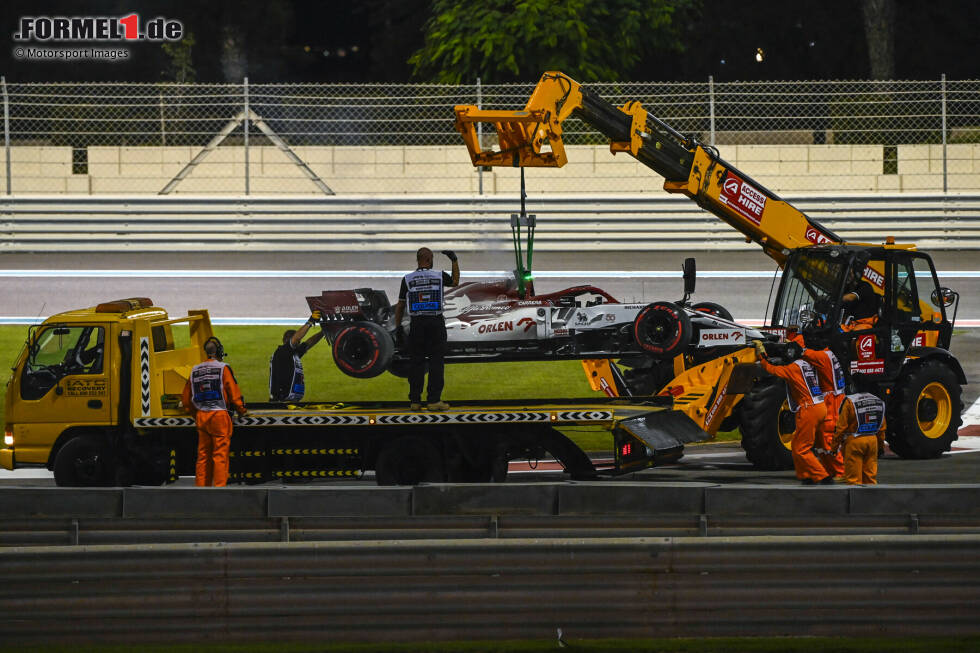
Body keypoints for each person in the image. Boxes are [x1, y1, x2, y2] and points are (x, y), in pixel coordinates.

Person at [753, 339, 831, 485]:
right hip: (820, 406)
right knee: (797, 445)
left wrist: (761, 355)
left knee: (801, 448)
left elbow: (770, 369)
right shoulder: (806, 365)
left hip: (809, 409)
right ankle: (806, 476)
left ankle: (823, 476)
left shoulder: (792, 369)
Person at [393, 247, 460, 411]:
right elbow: (456, 281)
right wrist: (454, 260)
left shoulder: (407, 278)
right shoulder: (438, 275)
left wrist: (398, 326)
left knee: (416, 362)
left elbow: (401, 305)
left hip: (417, 324)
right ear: (429, 259)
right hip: (435, 322)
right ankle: (433, 400)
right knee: (436, 362)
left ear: (418, 260)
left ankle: (415, 401)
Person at [182, 336, 247, 487]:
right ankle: (219, 489)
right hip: (219, 416)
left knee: (203, 455)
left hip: (201, 416)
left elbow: (186, 400)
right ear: (219, 351)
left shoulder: (194, 370)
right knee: (220, 455)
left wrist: (196, 414)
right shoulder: (223, 368)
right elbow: (233, 392)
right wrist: (242, 410)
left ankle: (201, 488)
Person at [800, 332, 847, 480]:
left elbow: (802, 353)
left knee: (827, 437)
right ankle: (829, 470)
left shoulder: (821, 356)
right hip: (834, 398)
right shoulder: (828, 353)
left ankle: (840, 472)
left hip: (832, 400)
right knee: (821, 439)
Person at [831, 391, 887, 485]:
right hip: (872, 441)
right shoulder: (877, 400)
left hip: (854, 442)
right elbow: (882, 427)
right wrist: (881, 446)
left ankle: (855, 499)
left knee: (853, 481)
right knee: (870, 478)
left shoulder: (850, 401)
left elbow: (841, 427)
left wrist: (834, 447)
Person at [269, 310, 323, 402]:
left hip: (289, 401)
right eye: (297, 342)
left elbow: (309, 342)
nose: (299, 343)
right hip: (280, 402)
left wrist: (323, 332)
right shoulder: (282, 352)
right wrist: (310, 322)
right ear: (286, 340)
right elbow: (297, 338)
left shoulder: (293, 353)